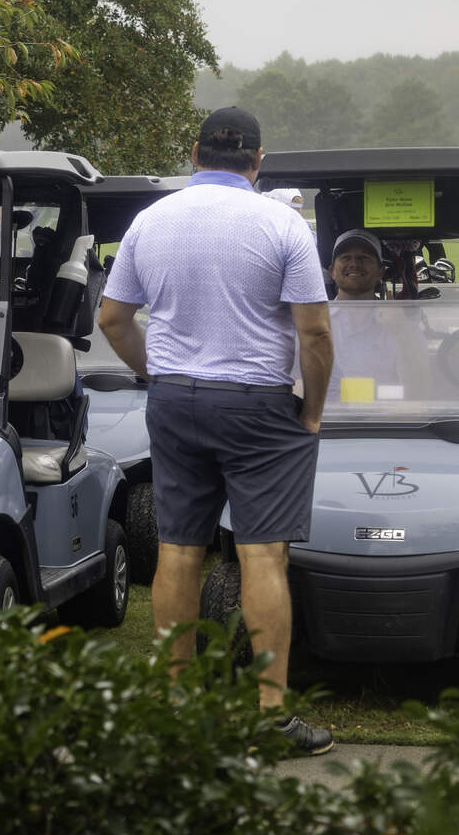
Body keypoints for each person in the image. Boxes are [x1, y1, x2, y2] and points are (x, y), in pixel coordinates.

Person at [97, 106, 336, 756]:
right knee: (263, 554)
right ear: (258, 161)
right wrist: (312, 410)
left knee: (178, 549)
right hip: (258, 403)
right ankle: (270, 715)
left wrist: (157, 373)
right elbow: (314, 331)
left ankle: (177, 702)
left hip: (176, 399)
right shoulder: (282, 223)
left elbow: (113, 318)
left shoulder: (151, 220)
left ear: (196, 154)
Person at [327, 228, 431, 399]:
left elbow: (420, 390)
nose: (354, 263)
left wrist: (401, 331)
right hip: (330, 415)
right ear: (332, 271)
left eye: (364, 258)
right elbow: (299, 384)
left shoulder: (402, 322)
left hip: (384, 414)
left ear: (380, 272)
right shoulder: (316, 321)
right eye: (346, 257)